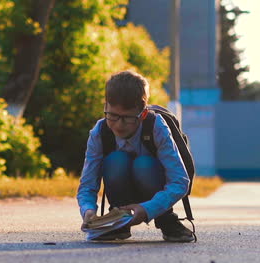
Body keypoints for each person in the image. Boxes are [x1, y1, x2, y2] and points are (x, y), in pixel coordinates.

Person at [77, 70, 194, 242]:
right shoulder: (100, 132)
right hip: (119, 193)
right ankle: (118, 221)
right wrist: (87, 210)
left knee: (143, 164)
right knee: (116, 160)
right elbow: (87, 184)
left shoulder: (157, 127)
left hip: (154, 188)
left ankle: (166, 219)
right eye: (113, 115)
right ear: (105, 106)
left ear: (143, 114)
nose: (119, 124)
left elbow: (180, 181)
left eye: (128, 118)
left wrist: (149, 208)